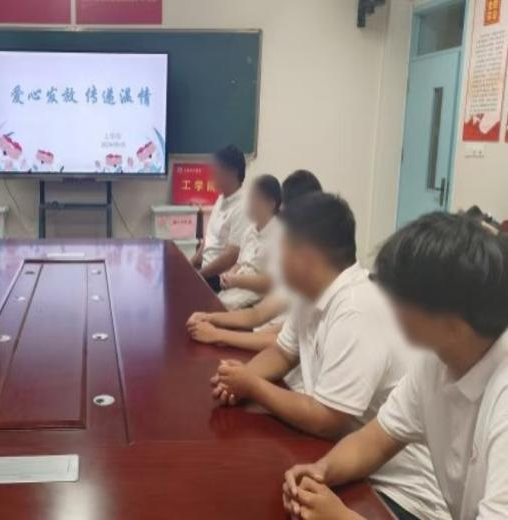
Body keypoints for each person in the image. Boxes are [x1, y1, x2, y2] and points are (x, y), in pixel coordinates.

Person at [212, 193, 449, 520]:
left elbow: (327, 419)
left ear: (306, 256)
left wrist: (252, 385)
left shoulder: (356, 309)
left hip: (399, 494)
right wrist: (239, 381)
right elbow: (283, 352)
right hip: (347, 462)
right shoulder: (310, 294)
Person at [282, 212, 508, 520]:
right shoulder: (437, 361)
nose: (388, 308)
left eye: (400, 300)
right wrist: (321, 471)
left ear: (451, 322)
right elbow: (376, 440)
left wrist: (341, 517)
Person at [187, 170, 322, 352]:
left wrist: (219, 335)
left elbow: (279, 342)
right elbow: (258, 315)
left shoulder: (312, 274)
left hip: (275, 353)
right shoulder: (294, 262)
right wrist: (210, 319)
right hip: (260, 333)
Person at [216, 174, 282, 310]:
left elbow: (270, 283)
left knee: (217, 310)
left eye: (256, 199)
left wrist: (236, 280)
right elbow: (239, 263)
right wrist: (228, 276)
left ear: (271, 204)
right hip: (235, 290)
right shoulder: (249, 231)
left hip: (255, 299)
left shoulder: (280, 236)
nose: (250, 204)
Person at [190, 145, 249, 292]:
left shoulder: (243, 207)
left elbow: (231, 256)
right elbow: (209, 240)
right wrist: (190, 264)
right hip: (206, 271)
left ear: (232, 173)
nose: (211, 176)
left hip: (220, 279)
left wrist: (200, 275)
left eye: (216, 171)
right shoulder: (222, 198)